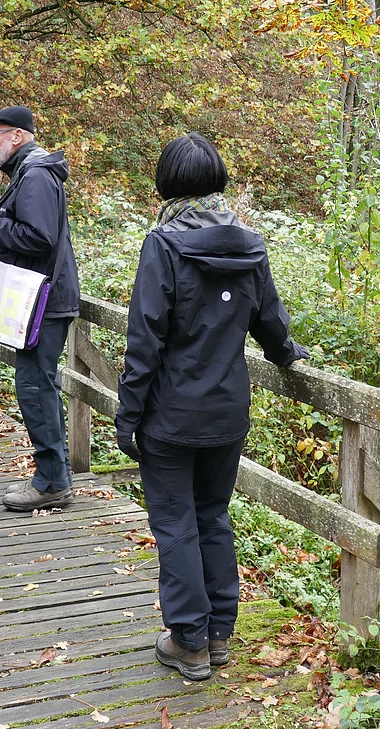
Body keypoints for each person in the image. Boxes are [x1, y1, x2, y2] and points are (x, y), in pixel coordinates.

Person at [114, 133, 309, 681]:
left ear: (167, 183)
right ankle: (219, 633)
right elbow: (270, 321)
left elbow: (145, 338)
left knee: (175, 523)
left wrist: (128, 416)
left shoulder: (165, 244)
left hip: (171, 416)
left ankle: (188, 641)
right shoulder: (250, 244)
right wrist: (289, 355)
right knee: (212, 516)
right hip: (227, 412)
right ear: (219, 179)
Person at [0, 106, 79, 512]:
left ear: (17, 136)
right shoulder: (29, 172)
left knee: (35, 389)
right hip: (41, 299)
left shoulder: (35, 174)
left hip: (44, 302)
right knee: (39, 387)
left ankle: (52, 482)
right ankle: (54, 476)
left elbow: (39, 237)